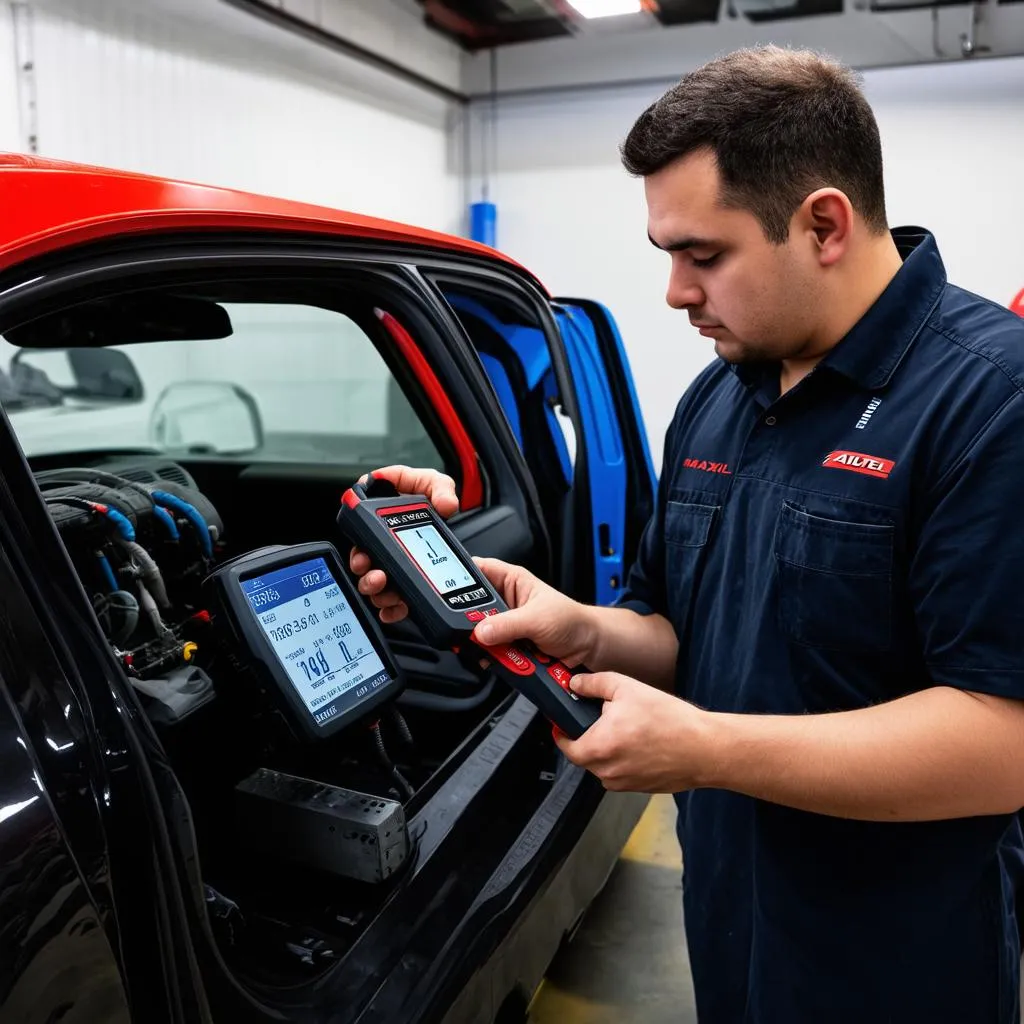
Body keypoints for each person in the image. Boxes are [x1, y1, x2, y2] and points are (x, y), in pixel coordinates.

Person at [350, 45, 1024, 1024]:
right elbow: (678, 633)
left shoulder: (988, 401)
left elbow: (1001, 738)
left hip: (897, 957)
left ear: (823, 224)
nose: (673, 291)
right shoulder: (717, 398)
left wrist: (703, 747)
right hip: (727, 916)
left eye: (701, 255)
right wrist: (573, 624)